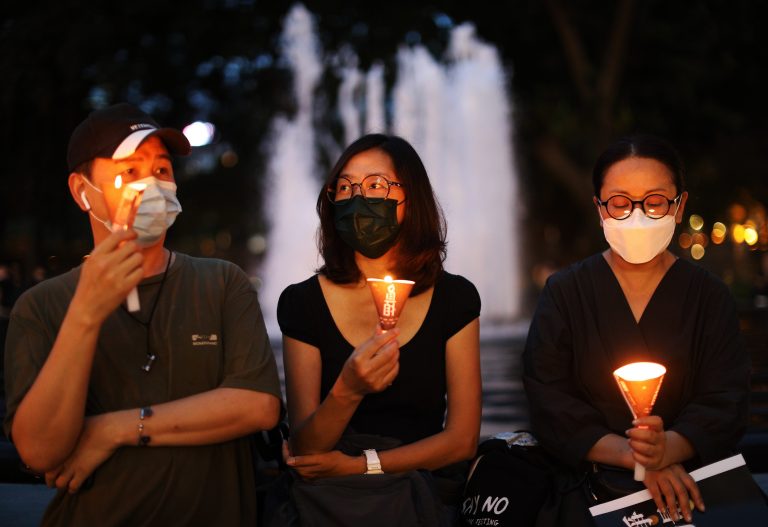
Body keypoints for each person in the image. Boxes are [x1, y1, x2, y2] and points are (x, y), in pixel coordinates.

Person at [3, 103, 282, 526]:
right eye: (130, 172)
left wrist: (113, 429)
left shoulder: (222, 282)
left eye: (162, 170)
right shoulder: (42, 306)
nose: (153, 185)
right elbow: (40, 451)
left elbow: (257, 406)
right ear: (82, 191)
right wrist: (85, 313)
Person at [522, 135, 750, 524]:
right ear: (600, 209)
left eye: (655, 200)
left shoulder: (709, 297)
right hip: (586, 487)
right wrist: (644, 458)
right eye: (621, 202)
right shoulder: (566, 292)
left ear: (679, 208)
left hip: (691, 486)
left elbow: (725, 399)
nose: (638, 214)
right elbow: (548, 397)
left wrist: (670, 448)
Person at [276, 134, 481, 517]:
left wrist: (363, 465)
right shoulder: (302, 302)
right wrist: (348, 390)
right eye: (345, 186)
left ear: (411, 197)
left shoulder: (455, 298)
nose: (358, 197)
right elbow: (305, 449)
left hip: (421, 492)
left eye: (376, 184)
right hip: (332, 500)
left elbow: (462, 440)